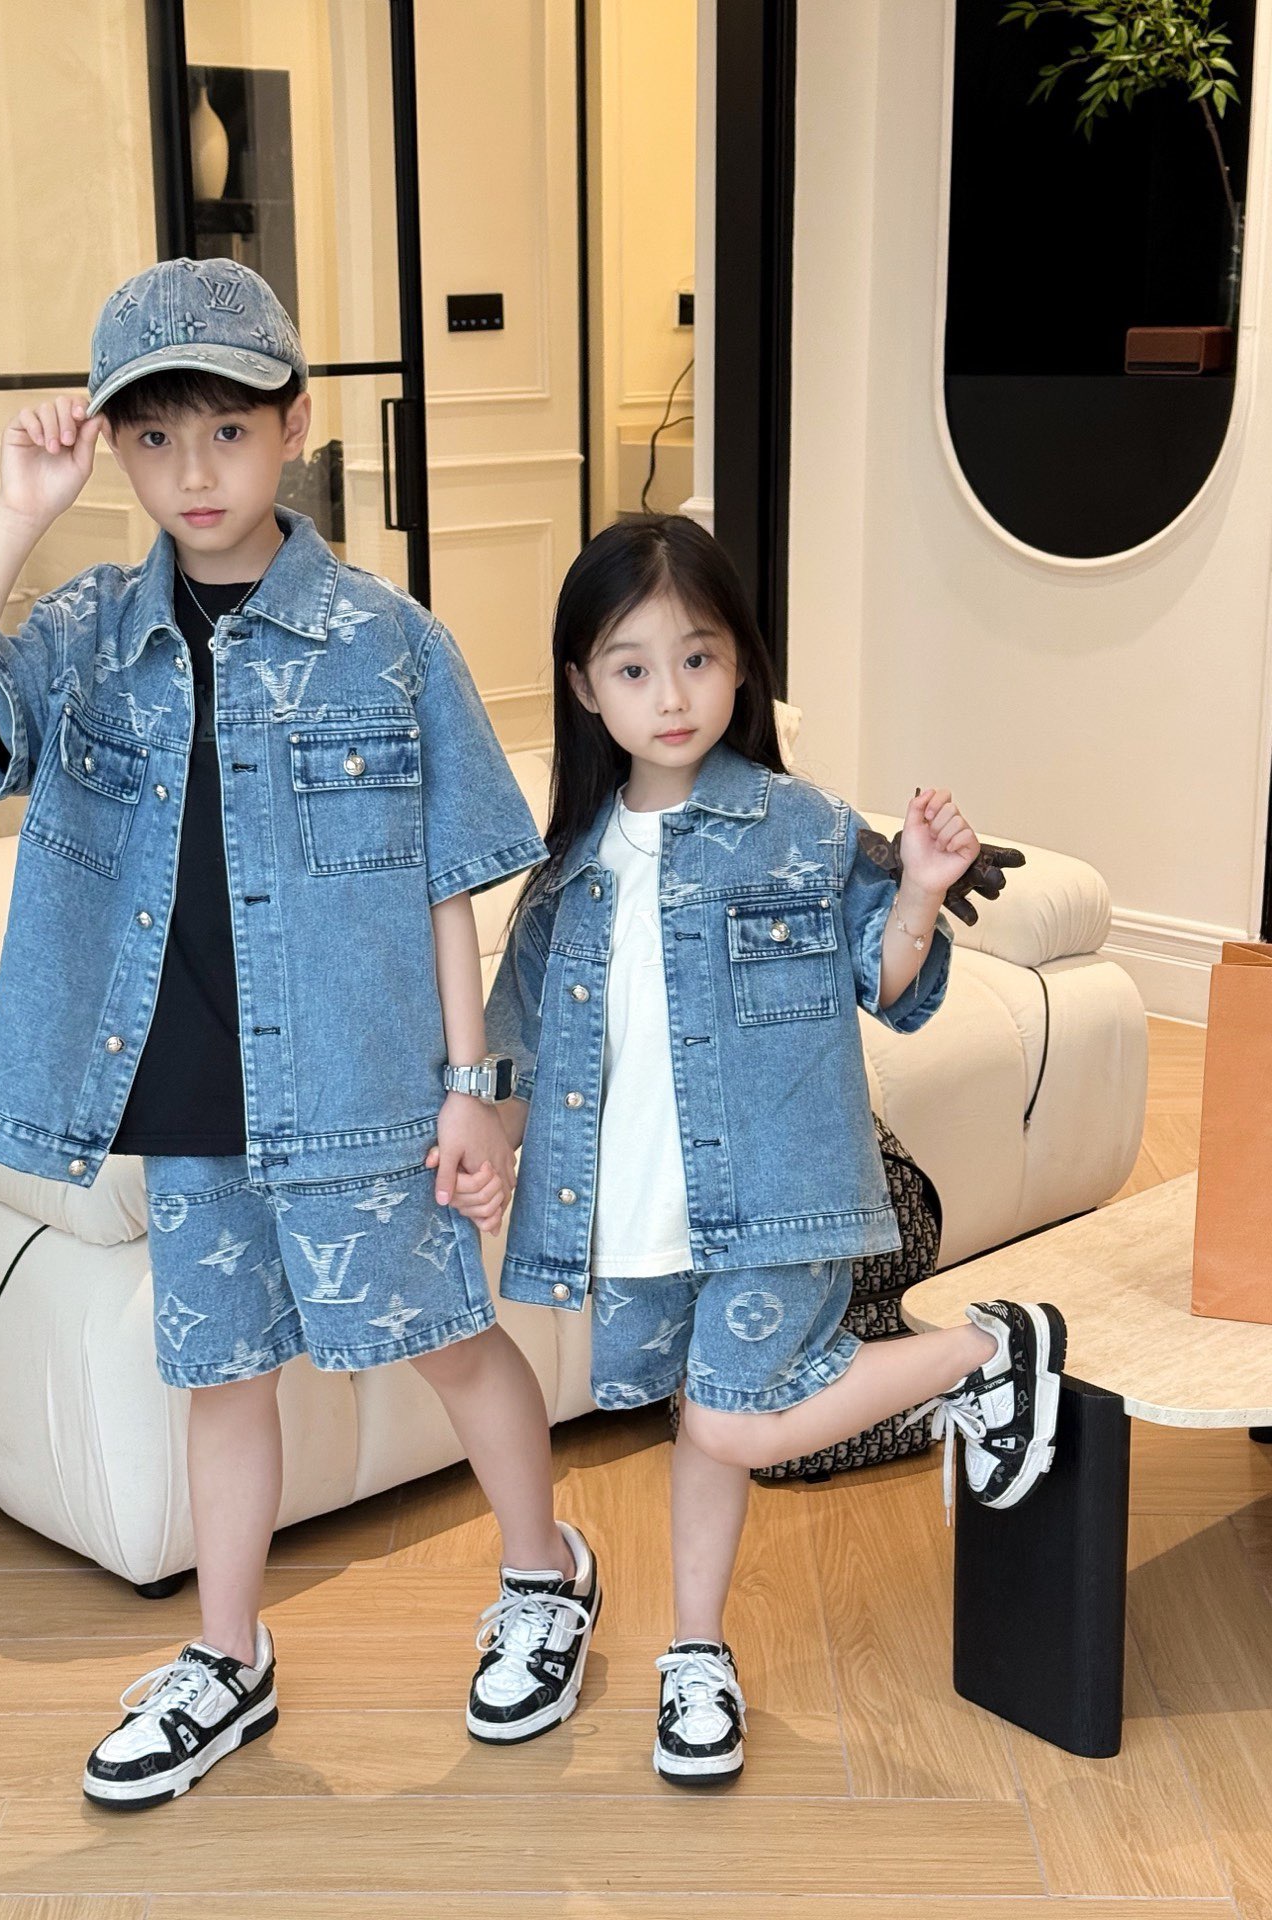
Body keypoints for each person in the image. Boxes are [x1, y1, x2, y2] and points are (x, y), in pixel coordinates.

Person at [0, 257, 601, 1809]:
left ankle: (544, 1574)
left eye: (225, 430)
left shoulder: (385, 640)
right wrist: (15, 516)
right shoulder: (86, 632)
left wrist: (473, 1090)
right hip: (188, 1095)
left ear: (296, 425)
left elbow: (449, 884)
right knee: (223, 1381)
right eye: (153, 440)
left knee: (449, 1342)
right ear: (115, 451)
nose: (192, 473)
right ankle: (228, 1658)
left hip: (361, 1091)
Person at [484, 514, 1065, 1787]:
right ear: (584, 688)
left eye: (697, 658)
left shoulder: (800, 825)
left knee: (738, 1420)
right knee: (703, 1425)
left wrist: (919, 888)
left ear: (740, 662)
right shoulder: (565, 871)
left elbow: (889, 987)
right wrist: (483, 1132)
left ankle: (987, 1352)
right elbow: (516, 1042)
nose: (671, 695)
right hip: (634, 1212)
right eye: (633, 667)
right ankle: (696, 1652)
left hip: (779, 1195)